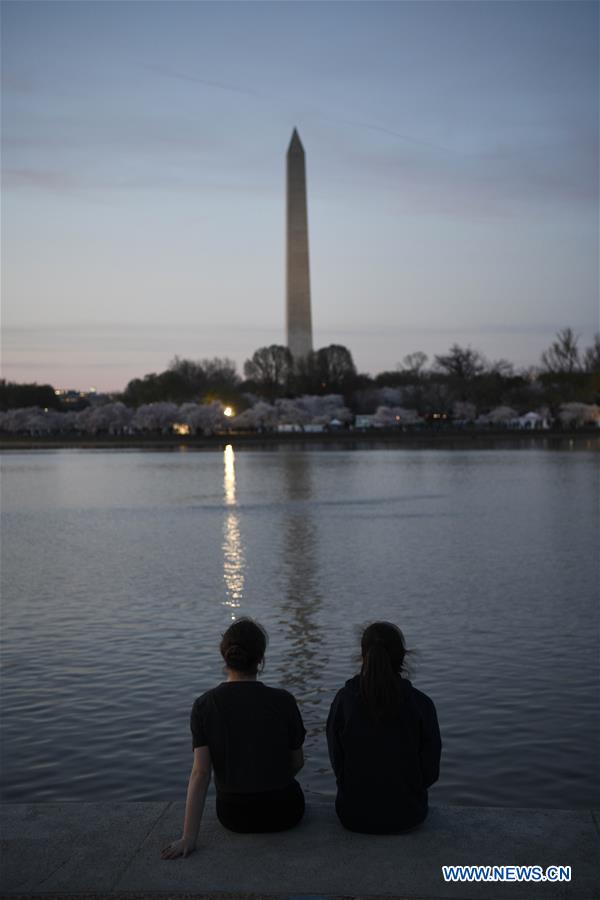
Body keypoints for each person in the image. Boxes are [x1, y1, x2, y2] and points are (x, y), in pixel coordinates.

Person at [161, 617, 306, 859]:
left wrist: (188, 837)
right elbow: (298, 762)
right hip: (285, 812)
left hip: (235, 816)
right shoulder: (284, 701)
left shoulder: (204, 705)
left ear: (224, 656)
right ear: (260, 659)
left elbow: (201, 773)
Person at [326, 621, 441, 834]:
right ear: (403, 657)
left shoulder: (344, 701)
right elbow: (430, 772)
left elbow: (337, 762)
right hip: (408, 814)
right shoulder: (421, 704)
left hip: (353, 814)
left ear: (363, 657)